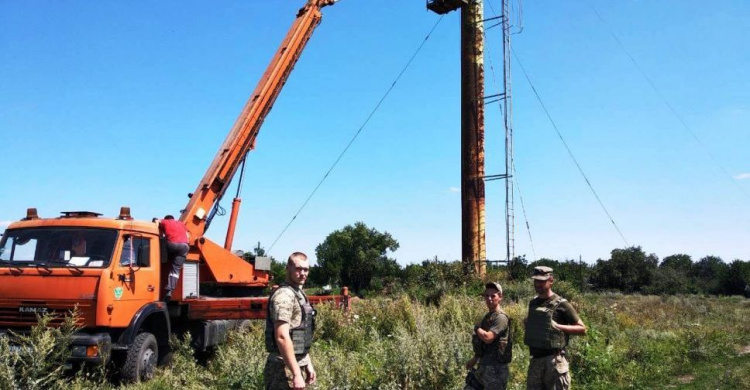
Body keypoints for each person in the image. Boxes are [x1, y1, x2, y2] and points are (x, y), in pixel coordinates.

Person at [524, 266, 586, 390]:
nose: (538, 284)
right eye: (536, 281)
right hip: (535, 361)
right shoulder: (533, 303)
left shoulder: (562, 304)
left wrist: (557, 326)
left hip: (554, 360)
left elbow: (582, 329)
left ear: (551, 280)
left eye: (542, 281)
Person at [264, 252, 317, 390]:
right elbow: (282, 336)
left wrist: (307, 363)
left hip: (297, 363)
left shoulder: (298, 293)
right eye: (298, 269)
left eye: (306, 269)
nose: (303, 273)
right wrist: (296, 373)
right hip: (282, 368)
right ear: (288, 269)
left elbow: (299, 332)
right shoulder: (284, 296)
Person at [465, 281, 512, 390]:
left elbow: (488, 338)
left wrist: (477, 328)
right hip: (484, 366)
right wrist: (475, 359)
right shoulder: (488, 316)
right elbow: (482, 344)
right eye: (487, 296)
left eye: (493, 296)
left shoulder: (501, 318)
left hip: (496, 369)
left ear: (500, 297)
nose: (489, 299)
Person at [157, 215, 189, 301]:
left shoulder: (165, 221)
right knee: (175, 270)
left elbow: (157, 221)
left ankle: (162, 259)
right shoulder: (181, 224)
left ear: (166, 218)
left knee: (161, 245)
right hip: (184, 246)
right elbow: (187, 235)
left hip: (172, 244)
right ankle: (170, 290)